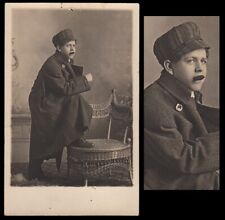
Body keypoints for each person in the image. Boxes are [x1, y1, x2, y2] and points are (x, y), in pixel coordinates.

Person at [144, 22, 219, 190]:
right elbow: (184, 159)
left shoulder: (183, 91)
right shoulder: (152, 102)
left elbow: (199, 121)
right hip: (165, 181)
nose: (200, 69)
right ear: (170, 67)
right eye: (191, 61)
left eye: (203, 61)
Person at [28, 29, 94, 180]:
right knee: (73, 99)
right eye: (68, 45)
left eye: (73, 45)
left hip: (52, 97)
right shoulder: (52, 64)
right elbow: (65, 88)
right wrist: (85, 79)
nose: (72, 49)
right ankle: (76, 136)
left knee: (73, 99)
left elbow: (66, 84)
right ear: (58, 47)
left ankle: (76, 136)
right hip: (42, 103)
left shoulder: (63, 61)